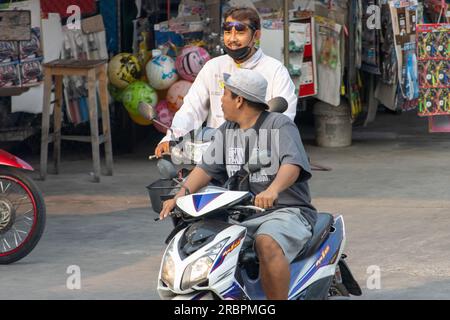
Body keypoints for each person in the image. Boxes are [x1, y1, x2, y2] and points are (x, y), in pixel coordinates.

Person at [159, 69, 317, 300]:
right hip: (241, 214)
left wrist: (272, 190)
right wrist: (178, 196)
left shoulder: (279, 125)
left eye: (225, 95)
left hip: (285, 211)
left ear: (239, 100)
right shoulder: (226, 131)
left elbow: (291, 165)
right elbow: (205, 169)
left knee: (267, 242)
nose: (221, 101)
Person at [155, 6, 298, 158]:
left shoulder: (275, 70)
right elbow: (191, 109)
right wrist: (171, 138)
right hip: (214, 155)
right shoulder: (213, 67)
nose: (232, 39)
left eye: (240, 32)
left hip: (258, 157)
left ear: (256, 35)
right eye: (228, 32)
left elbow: (284, 118)